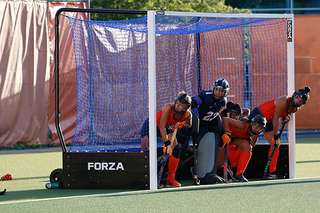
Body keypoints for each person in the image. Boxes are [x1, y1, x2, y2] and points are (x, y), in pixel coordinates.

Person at [248, 86, 311, 180]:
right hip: (259, 115)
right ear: (294, 95)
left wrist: (286, 117)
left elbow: (283, 114)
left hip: (269, 121)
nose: (297, 101)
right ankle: (235, 169)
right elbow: (276, 118)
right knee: (249, 144)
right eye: (297, 97)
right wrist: (276, 135)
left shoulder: (294, 109)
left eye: (300, 101)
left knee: (275, 144)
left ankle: (272, 173)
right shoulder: (283, 101)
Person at [140, 91, 192, 187]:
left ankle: (170, 179)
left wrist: (181, 124)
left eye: (180, 105)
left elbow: (189, 124)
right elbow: (161, 126)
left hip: (166, 127)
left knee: (176, 148)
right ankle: (143, 178)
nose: (177, 106)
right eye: (177, 103)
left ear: (185, 107)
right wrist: (166, 142)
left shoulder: (187, 114)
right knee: (145, 150)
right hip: (152, 124)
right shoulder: (168, 107)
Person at [191, 78, 229, 184]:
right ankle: (199, 170)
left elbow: (214, 115)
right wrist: (195, 118)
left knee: (218, 133)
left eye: (221, 91)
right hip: (194, 125)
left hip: (205, 125)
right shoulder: (206, 96)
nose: (218, 93)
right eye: (217, 89)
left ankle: (209, 171)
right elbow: (192, 103)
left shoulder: (223, 102)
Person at [222, 114, 267, 182]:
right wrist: (227, 133)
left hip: (233, 139)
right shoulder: (243, 125)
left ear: (261, 129)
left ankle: (238, 173)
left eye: (259, 127)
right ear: (252, 122)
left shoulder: (256, 133)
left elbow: (252, 145)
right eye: (255, 124)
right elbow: (225, 119)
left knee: (248, 147)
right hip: (222, 135)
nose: (255, 128)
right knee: (219, 164)